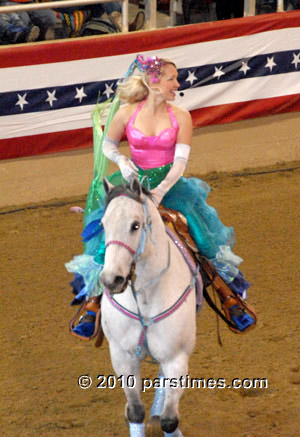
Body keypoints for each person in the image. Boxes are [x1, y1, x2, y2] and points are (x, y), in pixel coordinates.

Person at [66, 54, 255, 339]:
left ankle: (229, 297)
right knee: (110, 234)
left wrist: (159, 192)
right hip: (132, 182)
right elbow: (108, 146)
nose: (177, 84)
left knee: (200, 237)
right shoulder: (127, 113)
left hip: (170, 185)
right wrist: (123, 163)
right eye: (172, 79)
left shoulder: (181, 116)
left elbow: (180, 163)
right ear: (153, 82)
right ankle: (93, 302)